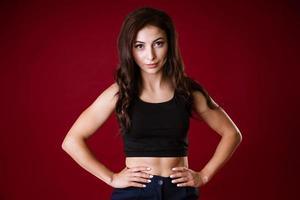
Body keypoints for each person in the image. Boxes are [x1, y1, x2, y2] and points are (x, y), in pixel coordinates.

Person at [61, 7, 242, 200]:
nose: (150, 56)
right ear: (129, 49)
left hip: (179, 192)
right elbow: (71, 141)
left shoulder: (187, 90)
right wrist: (112, 178)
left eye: (158, 44)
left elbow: (232, 134)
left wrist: (204, 175)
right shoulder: (119, 93)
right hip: (135, 193)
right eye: (139, 46)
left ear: (170, 44)